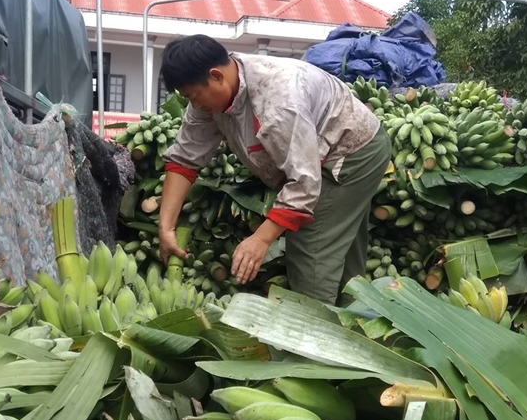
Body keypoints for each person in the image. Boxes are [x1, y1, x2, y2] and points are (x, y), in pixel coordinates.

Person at [157, 34, 391, 306]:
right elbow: (185, 159)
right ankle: (354, 327)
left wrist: (260, 240)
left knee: (311, 250)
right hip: (324, 153)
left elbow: (304, 184)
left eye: (195, 96)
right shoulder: (209, 98)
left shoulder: (278, 101)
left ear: (216, 76)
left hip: (351, 151)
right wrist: (166, 227)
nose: (195, 105)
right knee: (343, 251)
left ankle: (313, 334)